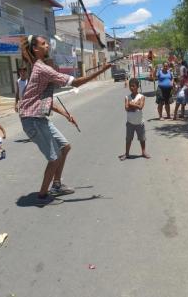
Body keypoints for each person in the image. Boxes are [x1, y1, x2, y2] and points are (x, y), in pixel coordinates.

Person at [19, 35, 111, 205]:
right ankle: (42, 196)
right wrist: (102, 70)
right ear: (35, 49)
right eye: (43, 44)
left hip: (39, 117)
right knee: (54, 158)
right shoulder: (42, 69)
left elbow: (43, 100)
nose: (47, 45)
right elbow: (75, 83)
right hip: (33, 119)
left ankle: (57, 184)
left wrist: (66, 115)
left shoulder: (39, 68)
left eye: (47, 43)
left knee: (65, 147)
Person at [119, 78, 150, 161]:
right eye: (130, 86)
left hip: (140, 123)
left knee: (142, 138)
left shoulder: (142, 96)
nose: (131, 88)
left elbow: (141, 107)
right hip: (130, 123)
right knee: (128, 139)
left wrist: (131, 104)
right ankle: (127, 153)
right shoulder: (127, 97)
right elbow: (126, 108)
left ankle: (143, 152)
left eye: (133, 86)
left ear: (137, 87)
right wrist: (135, 104)